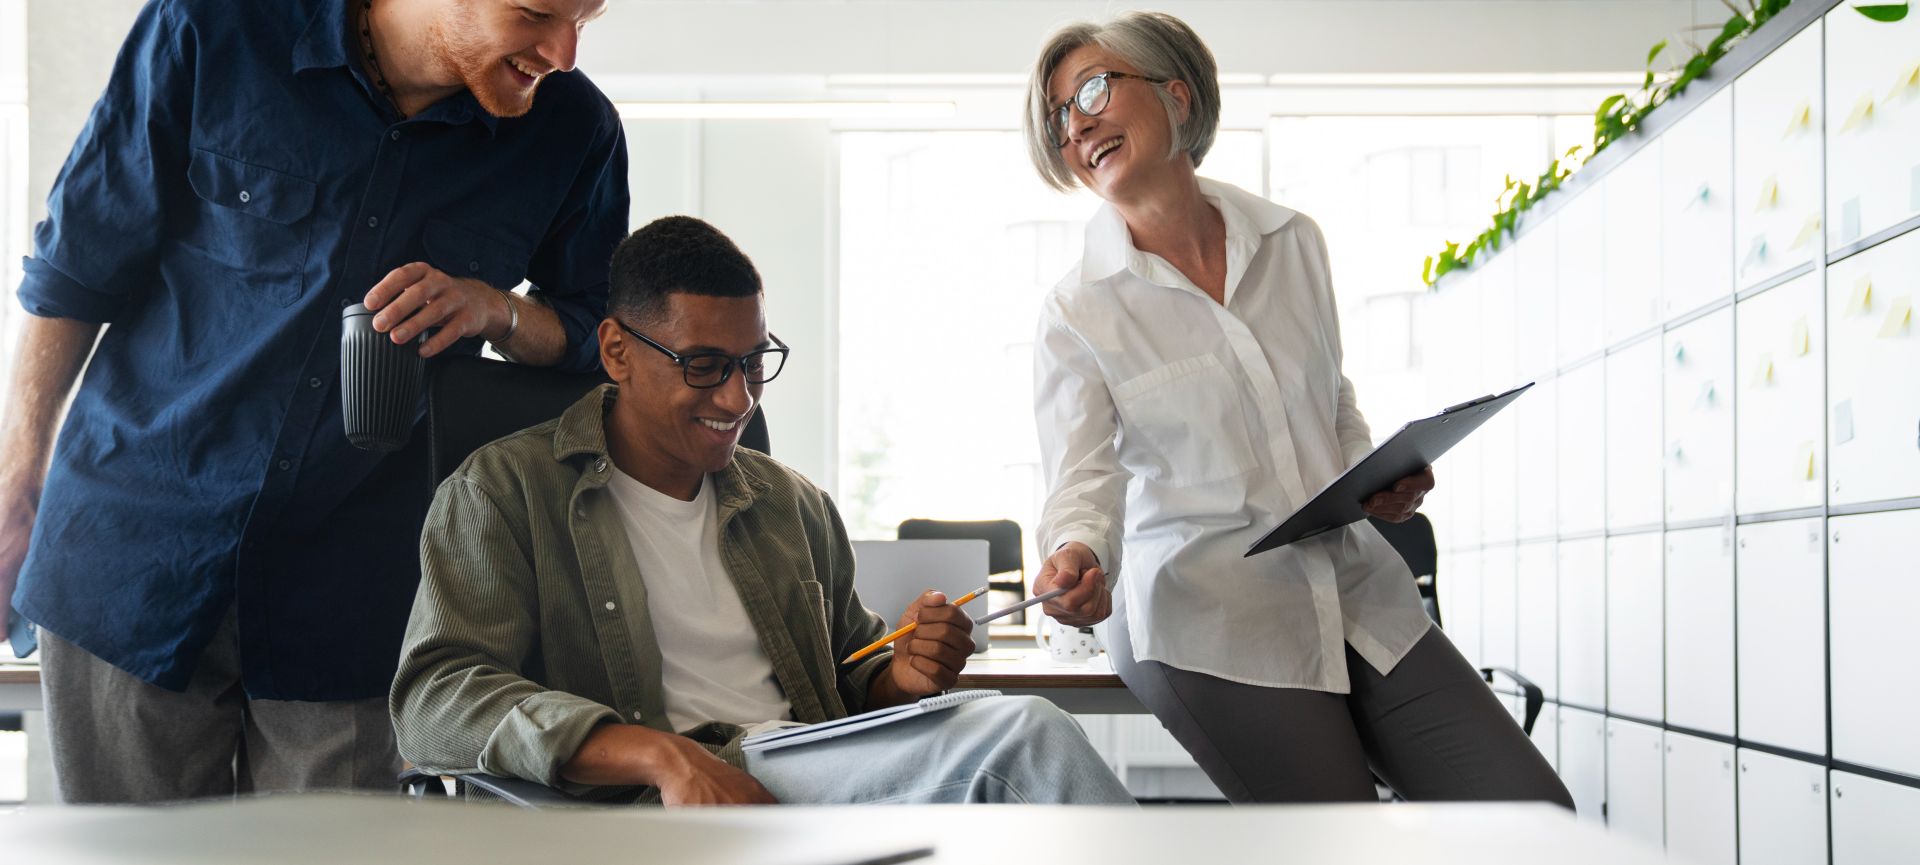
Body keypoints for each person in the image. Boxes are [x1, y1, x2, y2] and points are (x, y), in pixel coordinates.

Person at [0, 0, 628, 802]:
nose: (565, 52)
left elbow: (599, 333)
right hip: (132, 556)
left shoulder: (574, 132)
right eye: (537, 13)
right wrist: (15, 491)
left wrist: (499, 310)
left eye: (588, 17)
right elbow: (75, 266)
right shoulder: (212, 25)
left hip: (356, 594)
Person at [390, 216, 1133, 806]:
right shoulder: (503, 491)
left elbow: (853, 672)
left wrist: (905, 674)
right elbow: (435, 698)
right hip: (655, 799)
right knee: (1023, 737)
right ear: (616, 350)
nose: (737, 399)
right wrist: (662, 754)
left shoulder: (789, 502)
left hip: (802, 768)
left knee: (1015, 738)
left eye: (753, 364)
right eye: (704, 365)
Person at [1022, 12, 1573, 807]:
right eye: (1060, 116)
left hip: (1353, 583)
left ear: (1177, 94)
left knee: (1538, 819)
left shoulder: (1292, 242)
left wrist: (1374, 477)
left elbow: (1330, 394)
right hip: (1206, 614)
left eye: (1094, 90)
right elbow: (1082, 479)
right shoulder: (1078, 310)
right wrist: (1079, 553)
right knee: (1341, 840)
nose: (1077, 124)